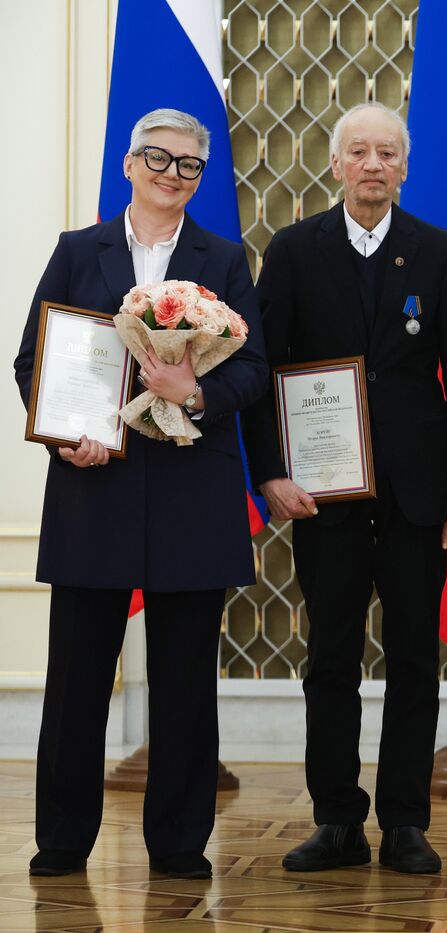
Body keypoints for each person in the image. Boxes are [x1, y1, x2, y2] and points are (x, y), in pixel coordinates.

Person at [14, 108, 268, 879]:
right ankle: (61, 838)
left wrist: (191, 390)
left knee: (186, 678)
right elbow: (34, 360)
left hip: (194, 489)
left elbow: (253, 372)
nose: (171, 173)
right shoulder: (76, 250)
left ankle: (180, 841)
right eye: (157, 158)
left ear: (201, 178)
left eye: (189, 164)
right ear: (128, 164)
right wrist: (68, 433)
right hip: (96, 483)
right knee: (78, 675)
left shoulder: (223, 259)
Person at [241, 102, 447, 874]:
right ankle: (337, 818)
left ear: (404, 168)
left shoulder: (440, 253)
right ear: (337, 165)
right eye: (359, 152)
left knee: (414, 657)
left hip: (418, 496)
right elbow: (262, 371)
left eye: (388, 153)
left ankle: (406, 819)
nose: (374, 164)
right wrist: (269, 471)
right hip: (323, 494)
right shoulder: (294, 249)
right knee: (332, 659)